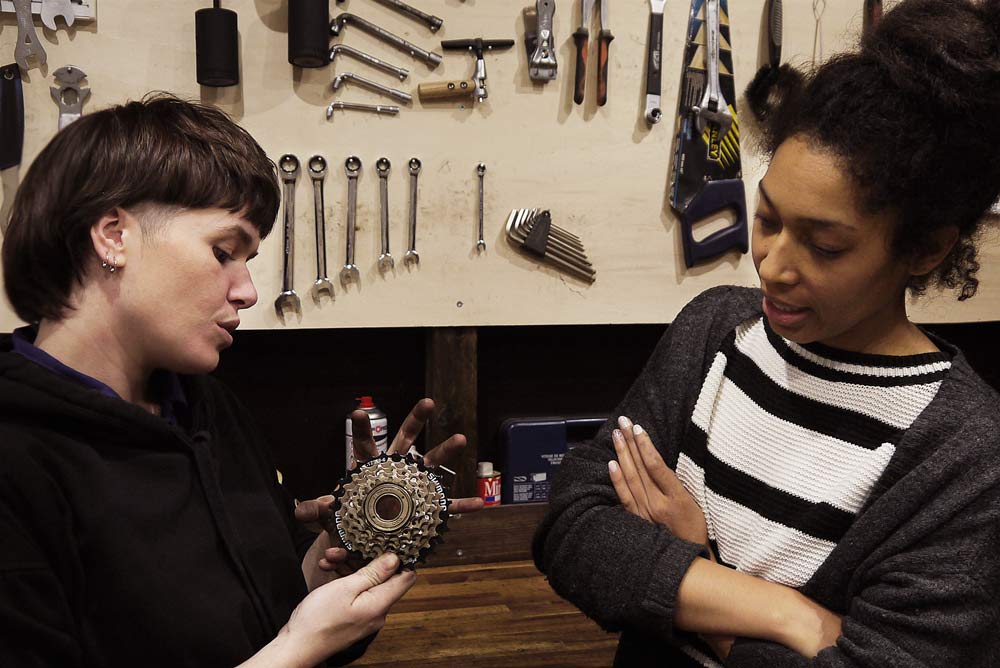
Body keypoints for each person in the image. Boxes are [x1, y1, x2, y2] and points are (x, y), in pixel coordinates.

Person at [533, 1, 1000, 666]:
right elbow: (574, 527)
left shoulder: (967, 460)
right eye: (768, 219)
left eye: (825, 245)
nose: (773, 265)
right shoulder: (715, 331)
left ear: (925, 249)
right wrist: (791, 616)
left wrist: (688, 573)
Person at [0, 94, 481, 668]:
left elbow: (264, 607)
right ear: (112, 235)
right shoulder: (16, 461)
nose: (247, 291)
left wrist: (345, 549)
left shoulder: (206, 408)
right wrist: (298, 650)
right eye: (224, 251)